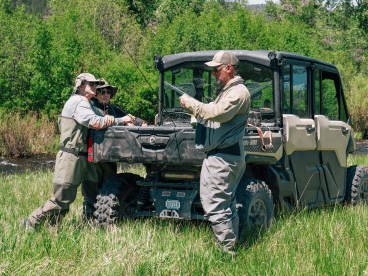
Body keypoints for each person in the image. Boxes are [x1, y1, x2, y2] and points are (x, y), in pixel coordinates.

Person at [20, 73, 134, 230]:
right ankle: (31, 222)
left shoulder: (86, 102)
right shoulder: (78, 102)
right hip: (71, 156)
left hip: (83, 158)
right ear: (81, 86)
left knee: (90, 194)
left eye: (96, 84)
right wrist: (120, 120)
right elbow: (95, 122)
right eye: (91, 84)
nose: (95, 87)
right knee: (62, 198)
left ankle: (56, 229)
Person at [179, 51, 251, 253]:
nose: (213, 74)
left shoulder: (237, 92)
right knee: (226, 205)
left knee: (215, 206)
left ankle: (227, 253)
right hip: (223, 156)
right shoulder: (229, 91)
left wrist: (191, 103)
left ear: (228, 68)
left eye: (216, 70)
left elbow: (216, 114)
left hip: (223, 158)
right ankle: (232, 245)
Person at [90, 79, 147, 188]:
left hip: (112, 151)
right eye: (103, 92)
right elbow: (101, 123)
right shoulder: (93, 108)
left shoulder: (113, 107)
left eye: (108, 92)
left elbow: (129, 117)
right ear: (96, 94)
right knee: (94, 182)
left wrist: (141, 123)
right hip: (97, 150)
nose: (106, 94)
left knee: (110, 178)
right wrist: (124, 123)